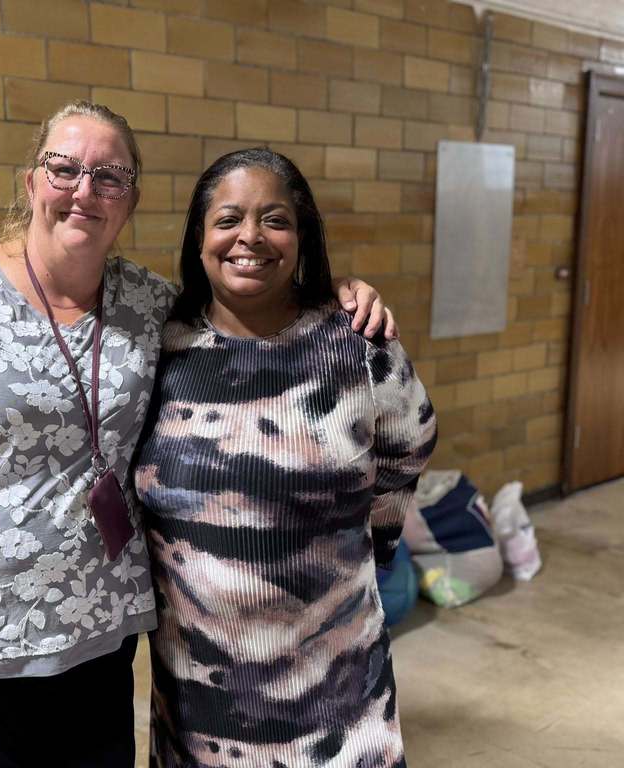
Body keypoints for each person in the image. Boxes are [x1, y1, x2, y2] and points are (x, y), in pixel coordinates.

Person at [0, 102, 397, 767]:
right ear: (30, 183)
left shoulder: (151, 304)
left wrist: (336, 297)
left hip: (100, 635)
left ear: (131, 198)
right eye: (64, 169)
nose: (84, 191)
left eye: (109, 177)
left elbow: (248, 313)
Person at [133, 148, 437, 768]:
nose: (250, 237)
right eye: (228, 220)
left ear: (302, 239)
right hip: (199, 700)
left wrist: (365, 552)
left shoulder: (357, 342)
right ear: (198, 237)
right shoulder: (156, 349)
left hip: (338, 695)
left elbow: (407, 450)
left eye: (275, 220)